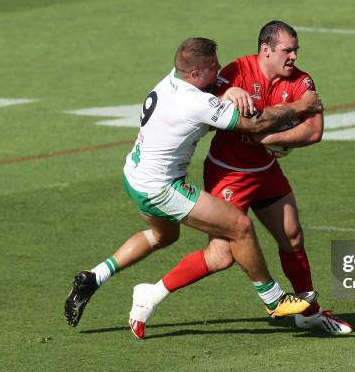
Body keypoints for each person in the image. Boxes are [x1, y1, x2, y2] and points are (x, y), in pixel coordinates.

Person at [64, 37, 323, 336]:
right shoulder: (196, 102)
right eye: (213, 66)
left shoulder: (173, 80)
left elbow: (214, 94)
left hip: (134, 174)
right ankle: (273, 298)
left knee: (164, 235)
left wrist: (228, 91)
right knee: (239, 227)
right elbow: (254, 126)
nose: (220, 69)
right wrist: (300, 106)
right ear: (196, 74)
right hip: (161, 188)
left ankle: (93, 277)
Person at [197, 20, 351, 334]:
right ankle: (152, 293)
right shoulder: (236, 72)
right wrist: (232, 96)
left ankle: (309, 311)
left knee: (293, 236)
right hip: (228, 172)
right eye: (287, 50)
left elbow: (314, 131)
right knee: (220, 255)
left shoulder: (302, 82)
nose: (294, 56)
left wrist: (267, 140)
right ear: (266, 50)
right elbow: (224, 119)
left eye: (296, 50)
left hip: (265, 171)